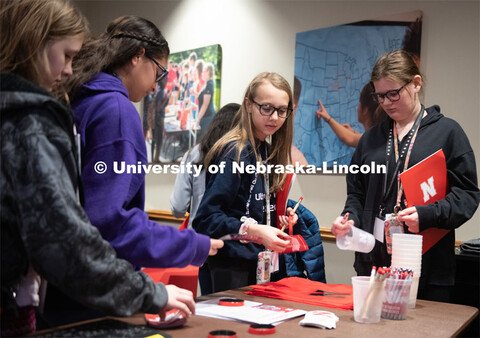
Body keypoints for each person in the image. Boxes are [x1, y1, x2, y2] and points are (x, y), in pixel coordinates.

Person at [0, 1, 194, 335]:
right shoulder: (108, 111)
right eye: (66, 56)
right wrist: (157, 285)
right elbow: (87, 228)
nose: (69, 71)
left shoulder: (72, 101)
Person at [64, 15, 223, 272]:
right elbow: (109, 222)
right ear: (138, 56)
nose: (156, 88)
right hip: (95, 280)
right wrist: (191, 245)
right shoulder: (116, 110)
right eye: (159, 73)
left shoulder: (82, 98)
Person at [331, 50, 479, 302]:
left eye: (393, 93)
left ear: (416, 83)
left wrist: (428, 214)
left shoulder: (447, 133)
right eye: (380, 96)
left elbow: (467, 196)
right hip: (374, 266)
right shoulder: (371, 139)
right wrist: (350, 219)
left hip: (427, 266)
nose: (387, 102)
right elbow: (357, 192)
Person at [193, 72, 301, 293]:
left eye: (282, 111)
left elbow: (248, 205)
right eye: (266, 108)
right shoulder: (235, 151)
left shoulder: (266, 150)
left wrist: (279, 214)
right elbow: (206, 219)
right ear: (248, 105)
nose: (274, 117)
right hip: (231, 266)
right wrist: (255, 230)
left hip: (259, 263)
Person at [170, 103, 240, 294]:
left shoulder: (193, 155)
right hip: (233, 244)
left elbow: (177, 207)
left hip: (201, 243)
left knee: (207, 302)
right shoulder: (241, 156)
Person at [315, 83, 380, 148]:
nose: (357, 108)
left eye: (359, 103)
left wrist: (328, 119)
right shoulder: (379, 137)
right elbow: (356, 138)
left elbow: (351, 139)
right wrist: (353, 132)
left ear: (365, 110)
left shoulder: (372, 141)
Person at [196, 62, 216, 140]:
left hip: (207, 118)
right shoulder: (207, 84)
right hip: (205, 117)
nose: (202, 74)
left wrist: (198, 118)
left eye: (203, 71)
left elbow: (205, 104)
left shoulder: (209, 84)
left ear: (208, 71)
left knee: (202, 141)